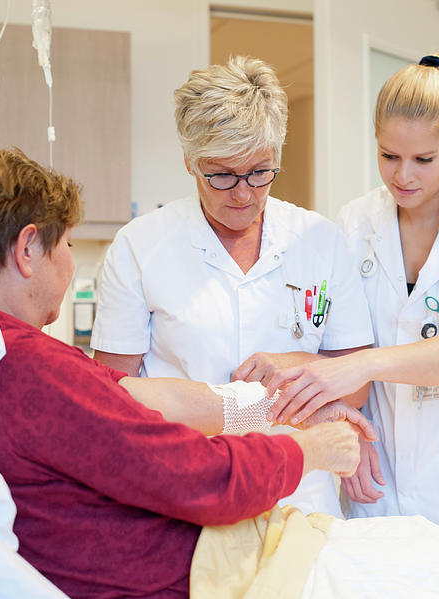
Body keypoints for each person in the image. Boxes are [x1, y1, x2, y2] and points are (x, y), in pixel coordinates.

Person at [0, 147, 366, 599]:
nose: (70, 263)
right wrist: (310, 449)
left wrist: (283, 406)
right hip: (200, 568)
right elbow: (204, 479)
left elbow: (140, 396)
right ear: (28, 248)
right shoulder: (29, 371)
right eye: (68, 244)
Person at [91, 56, 375, 517]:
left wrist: (297, 364)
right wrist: (257, 404)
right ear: (189, 161)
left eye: (260, 172)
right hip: (183, 493)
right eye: (221, 175)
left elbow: (357, 385)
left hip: (300, 496)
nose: (243, 194)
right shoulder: (140, 246)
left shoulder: (320, 241)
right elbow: (113, 397)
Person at [260, 54, 439, 529]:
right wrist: (345, 421)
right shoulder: (353, 224)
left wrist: (363, 365)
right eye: (389, 156)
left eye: (422, 160)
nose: (402, 176)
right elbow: (336, 342)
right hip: (377, 472)